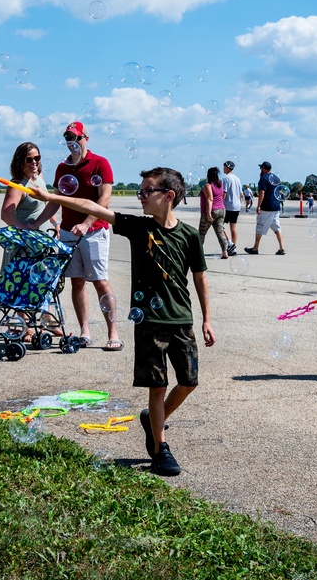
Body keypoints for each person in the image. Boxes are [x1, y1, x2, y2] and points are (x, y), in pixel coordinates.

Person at [30, 167, 216, 476]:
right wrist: (50, 196)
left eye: (147, 191)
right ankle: (160, 449)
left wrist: (207, 319)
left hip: (181, 318)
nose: (140, 196)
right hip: (150, 321)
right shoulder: (138, 227)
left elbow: (200, 277)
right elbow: (92, 207)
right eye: (140, 190)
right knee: (157, 387)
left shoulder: (189, 235)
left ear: (168, 197)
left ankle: (152, 418)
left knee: (188, 382)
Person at [32, 121, 122, 351]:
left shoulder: (100, 163)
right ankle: (85, 331)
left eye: (76, 137)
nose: (72, 142)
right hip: (68, 233)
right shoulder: (63, 168)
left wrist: (86, 223)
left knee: (100, 281)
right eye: (68, 138)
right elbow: (55, 201)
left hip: (94, 232)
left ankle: (113, 333)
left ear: (85, 139)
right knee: (77, 282)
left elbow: (105, 200)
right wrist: (35, 223)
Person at [0, 142, 59, 342]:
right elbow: (6, 214)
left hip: (42, 241)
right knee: (24, 283)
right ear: (20, 161)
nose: (34, 162)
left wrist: (54, 221)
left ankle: (44, 321)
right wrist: (23, 227)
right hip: (25, 245)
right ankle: (26, 326)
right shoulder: (18, 183)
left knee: (41, 283)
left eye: (37, 158)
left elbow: (43, 205)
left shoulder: (39, 179)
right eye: (29, 159)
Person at [244, 162, 285, 255]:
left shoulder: (264, 178)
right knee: (276, 227)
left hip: (266, 207)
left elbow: (262, 192)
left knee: (260, 226)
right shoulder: (276, 178)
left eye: (261, 168)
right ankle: (281, 248)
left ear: (263, 168)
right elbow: (280, 191)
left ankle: (255, 248)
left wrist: (258, 205)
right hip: (276, 206)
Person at [198, 166, 227, 259]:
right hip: (221, 210)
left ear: (208, 175)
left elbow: (210, 199)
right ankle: (225, 252)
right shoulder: (220, 185)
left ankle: (198, 253)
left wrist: (208, 213)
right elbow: (222, 196)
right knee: (220, 232)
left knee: (201, 234)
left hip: (212, 210)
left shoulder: (208, 185)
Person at [220, 160, 242, 255]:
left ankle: (230, 243)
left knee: (220, 225)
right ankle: (234, 247)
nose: (223, 168)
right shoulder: (237, 179)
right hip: (236, 205)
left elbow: (224, 193)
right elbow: (241, 194)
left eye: (224, 167)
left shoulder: (225, 178)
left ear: (228, 167)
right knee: (233, 227)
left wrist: (220, 203)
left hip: (228, 205)